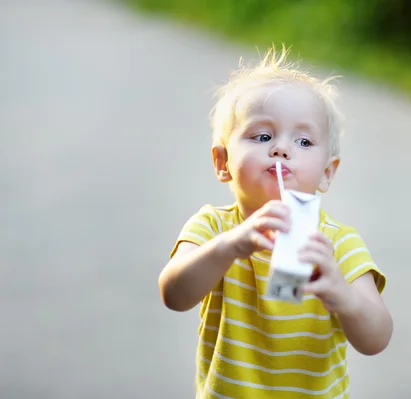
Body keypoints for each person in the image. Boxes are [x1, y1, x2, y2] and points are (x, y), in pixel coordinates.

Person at [159, 45, 393, 399]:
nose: (281, 150)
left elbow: (377, 338)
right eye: (263, 136)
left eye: (303, 141)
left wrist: (344, 296)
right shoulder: (213, 228)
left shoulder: (337, 244)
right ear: (222, 163)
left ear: (327, 174)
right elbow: (174, 295)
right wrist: (230, 247)